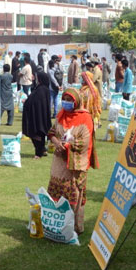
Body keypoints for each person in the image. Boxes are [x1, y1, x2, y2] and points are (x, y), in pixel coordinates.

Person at [47, 88, 98, 234]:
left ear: (76, 101)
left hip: (75, 164)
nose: (66, 103)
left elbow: (85, 142)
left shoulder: (85, 118)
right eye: (65, 99)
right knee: (57, 191)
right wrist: (57, 143)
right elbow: (51, 132)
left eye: (70, 100)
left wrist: (68, 146)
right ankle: (57, 224)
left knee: (74, 193)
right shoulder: (61, 114)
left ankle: (74, 227)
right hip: (59, 163)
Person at [23, 71, 53, 159]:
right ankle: (42, 150)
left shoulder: (41, 90)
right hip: (41, 116)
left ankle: (38, 153)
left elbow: (34, 101)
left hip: (37, 117)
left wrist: (27, 101)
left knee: (37, 135)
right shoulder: (44, 89)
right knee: (41, 134)